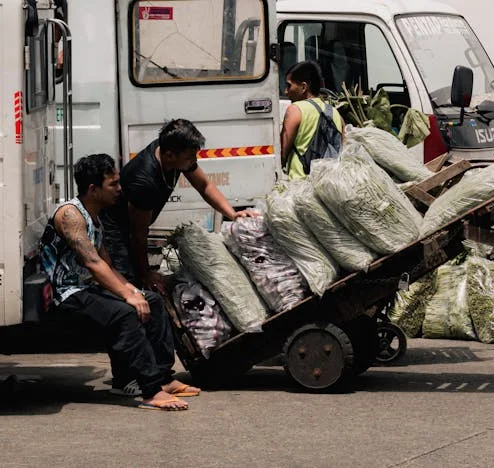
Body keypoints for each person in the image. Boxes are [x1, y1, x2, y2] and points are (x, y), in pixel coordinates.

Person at [40, 154, 200, 411]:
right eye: (113, 184)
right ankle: (151, 391)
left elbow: (107, 265)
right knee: (125, 313)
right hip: (66, 293)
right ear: (93, 189)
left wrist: (133, 290)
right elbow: (92, 263)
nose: (120, 188)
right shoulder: (70, 215)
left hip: (86, 288)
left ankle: (162, 378)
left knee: (153, 301)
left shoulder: (95, 215)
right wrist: (128, 297)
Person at [103, 119, 254, 292]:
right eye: (190, 157)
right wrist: (146, 273)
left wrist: (233, 214)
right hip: (115, 229)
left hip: (134, 228)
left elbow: (204, 186)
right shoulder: (145, 180)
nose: (194, 161)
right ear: (169, 156)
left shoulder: (172, 152)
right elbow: (138, 236)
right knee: (127, 284)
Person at [280, 61, 345, 180]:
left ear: (303, 87)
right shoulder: (336, 114)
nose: (286, 91)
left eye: (289, 85)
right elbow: (343, 149)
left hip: (300, 185)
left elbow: (282, 153)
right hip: (328, 184)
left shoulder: (295, 110)